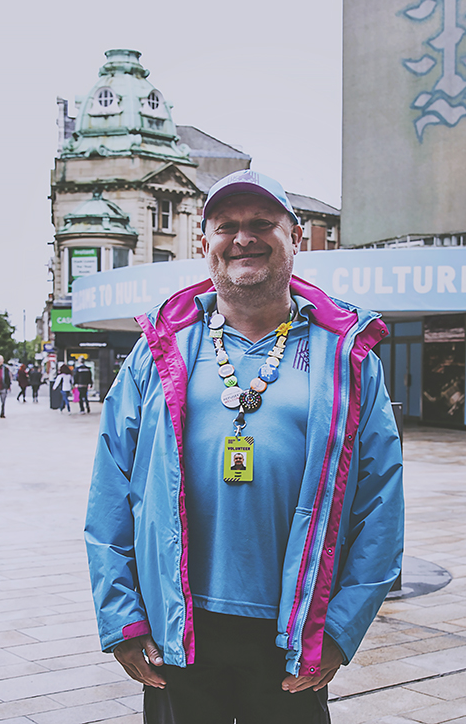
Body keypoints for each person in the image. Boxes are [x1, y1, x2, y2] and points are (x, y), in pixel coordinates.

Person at [85, 169, 404, 723]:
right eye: (226, 226)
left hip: (293, 630)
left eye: (262, 224)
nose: (243, 238)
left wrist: (341, 629)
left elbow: (381, 505)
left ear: (296, 238)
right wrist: (122, 620)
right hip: (177, 628)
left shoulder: (348, 357)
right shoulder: (157, 351)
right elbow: (111, 488)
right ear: (204, 243)